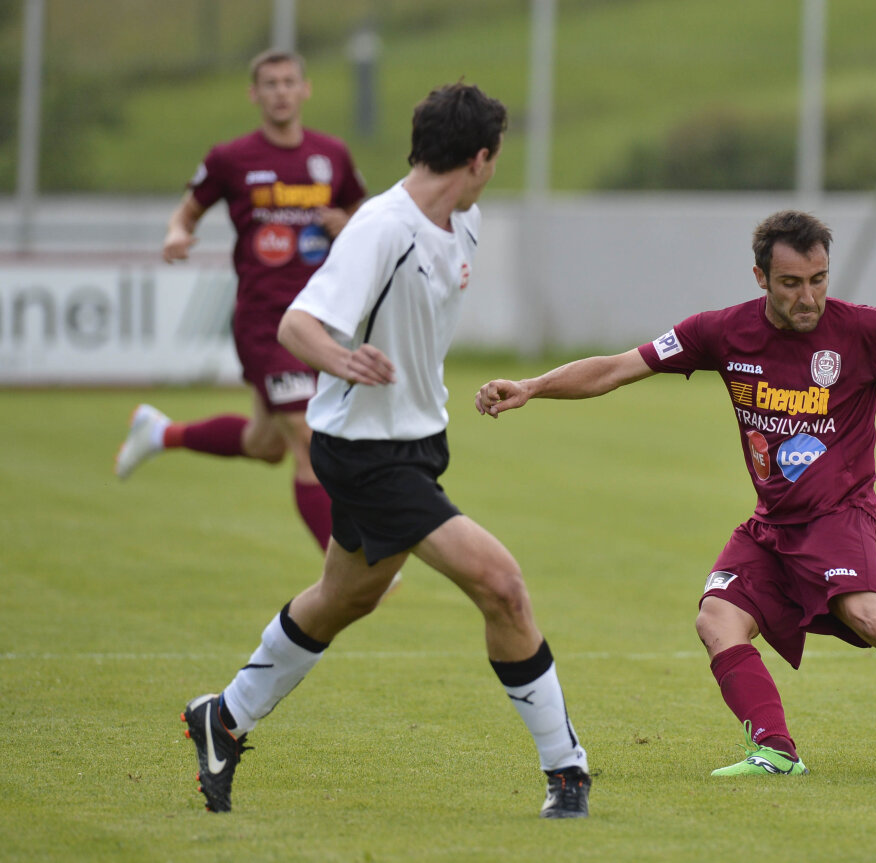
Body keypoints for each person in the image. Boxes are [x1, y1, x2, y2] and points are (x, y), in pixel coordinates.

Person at [474, 209, 876, 780]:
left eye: (819, 279)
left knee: (874, 619)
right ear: (760, 278)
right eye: (791, 283)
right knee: (717, 618)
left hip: (839, 516)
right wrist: (532, 387)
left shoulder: (867, 331)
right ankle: (776, 751)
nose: (808, 297)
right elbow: (617, 367)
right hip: (773, 524)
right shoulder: (721, 332)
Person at [180, 82, 591, 819]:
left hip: (416, 442)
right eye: (496, 158)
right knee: (501, 584)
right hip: (364, 452)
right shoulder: (381, 228)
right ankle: (568, 772)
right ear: (479, 158)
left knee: (345, 596)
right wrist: (343, 360)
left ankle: (225, 715)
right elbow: (298, 325)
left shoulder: (463, 223)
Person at [115, 49, 367, 552]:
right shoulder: (230, 159)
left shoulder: (331, 155)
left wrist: (348, 223)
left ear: (305, 89)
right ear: (254, 94)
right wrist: (175, 233)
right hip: (264, 322)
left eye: (289, 82)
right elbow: (187, 212)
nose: (280, 92)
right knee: (306, 437)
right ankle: (351, 569)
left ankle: (160, 433)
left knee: (265, 443)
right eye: (270, 84)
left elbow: (363, 216)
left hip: (321, 320)